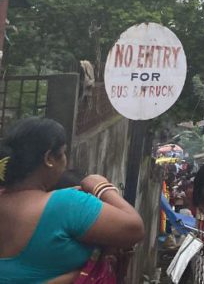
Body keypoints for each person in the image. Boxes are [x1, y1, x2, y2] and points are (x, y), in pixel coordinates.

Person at [0, 117, 144, 283]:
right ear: (49, 159)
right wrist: (101, 187)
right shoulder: (67, 204)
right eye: (63, 153)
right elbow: (135, 229)